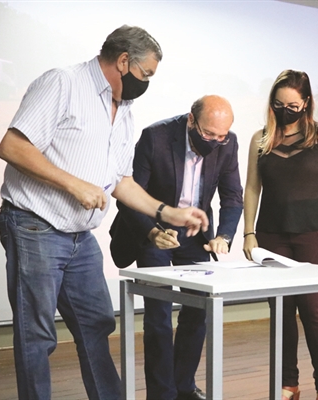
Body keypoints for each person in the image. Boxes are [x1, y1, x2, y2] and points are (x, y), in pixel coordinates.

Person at [0, 25, 209, 400]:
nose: (147, 83)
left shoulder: (124, 108)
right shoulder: (63, 83)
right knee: (37, 334)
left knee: (96, 323)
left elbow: (121, 181)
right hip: (34, 226)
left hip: (80, 236)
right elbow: (13, 147)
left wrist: (169, 213)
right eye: (146, 74)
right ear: (124, 61)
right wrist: (73, 184)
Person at [109, 95, 243, 400]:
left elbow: (233, 196)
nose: (215, 141)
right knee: (158, 316)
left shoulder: (228, 144)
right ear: (191, 120)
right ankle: (161, 393)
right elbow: (128, 196)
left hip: (195, 235)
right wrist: (153, 231)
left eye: (221, 136)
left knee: (198, 312)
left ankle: (183, 387)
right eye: (209, 134)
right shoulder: (156, 137)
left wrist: (224, 235)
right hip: (155, 231)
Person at [242, 70, 318, 400]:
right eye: (278, 103)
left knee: (314, 311)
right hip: (272, 235)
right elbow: (252, 188)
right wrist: (248, 233)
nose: (285, 109)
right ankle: (288, 384)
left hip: (314, 232)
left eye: (293, 104)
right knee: (282, 313)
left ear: (306, 104)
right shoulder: (260, 137)